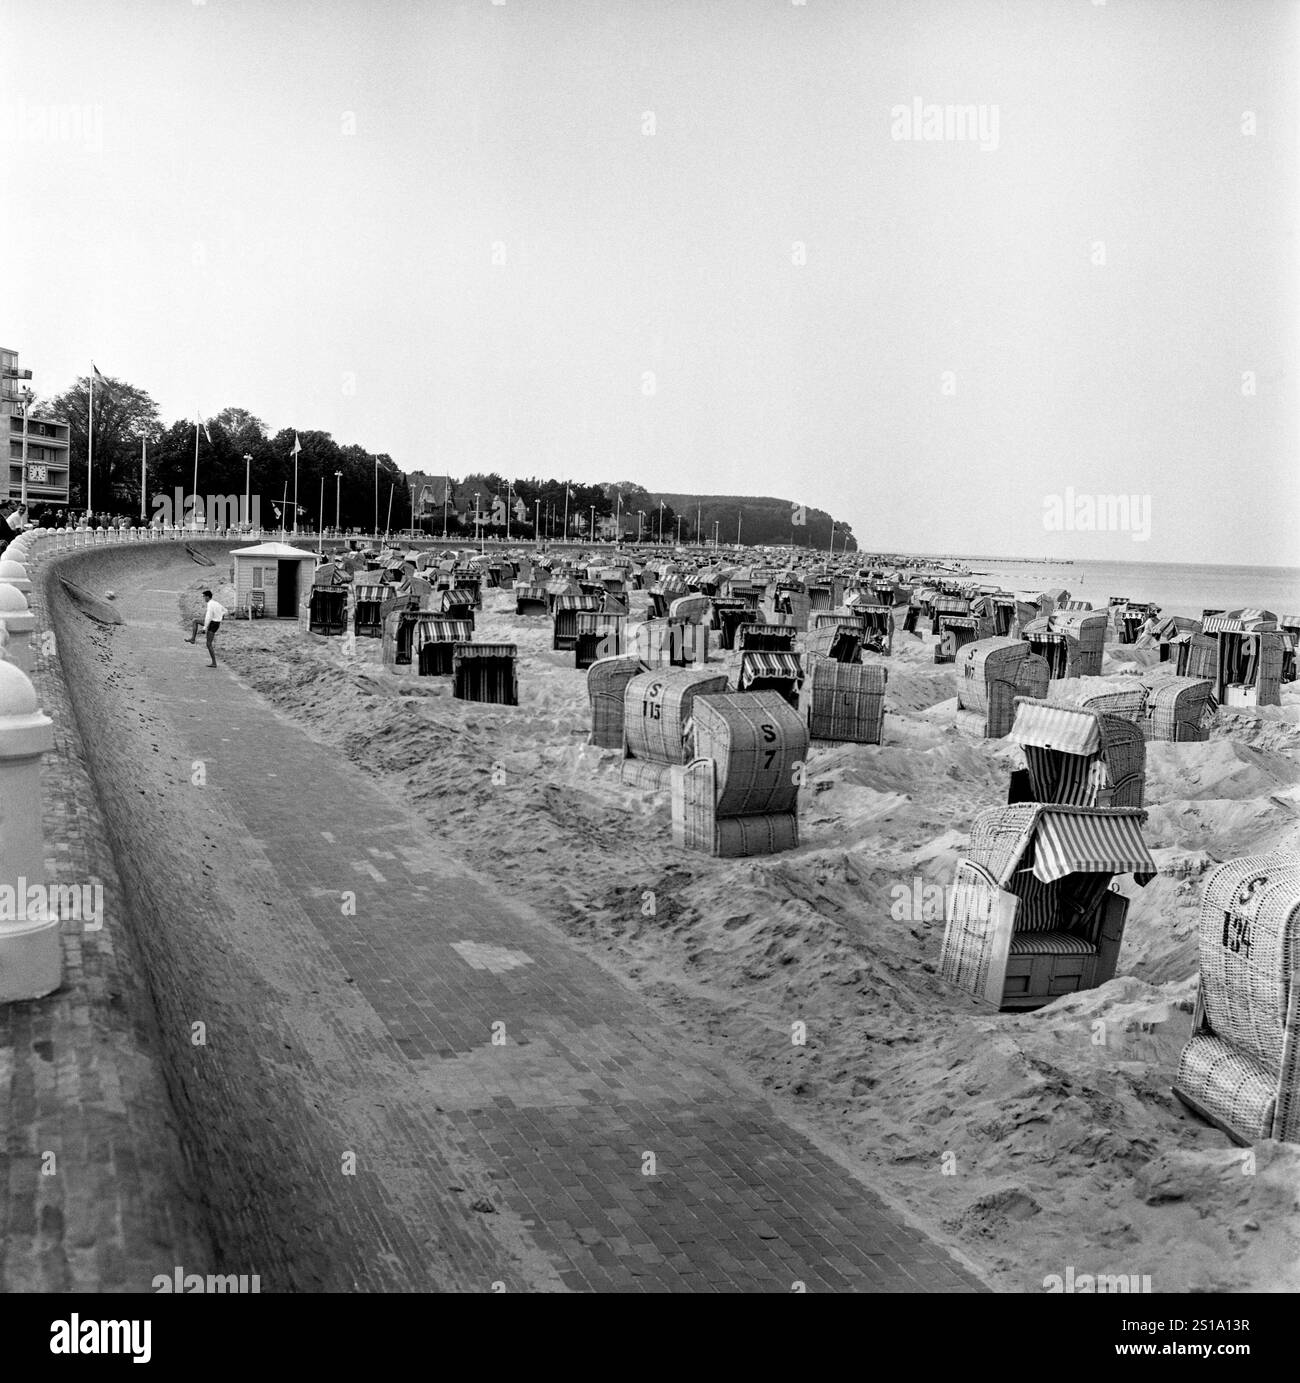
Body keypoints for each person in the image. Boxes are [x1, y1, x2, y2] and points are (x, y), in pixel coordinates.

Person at [187, 588, 226, 667]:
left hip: (213, 624)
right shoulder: (216, 603)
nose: (203, 598)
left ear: (208, 597)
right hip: (215, 622)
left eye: (204, 597)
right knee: (195, 620)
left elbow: (208, 617)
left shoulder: (210, 604)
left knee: (209, 644)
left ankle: (214, 663)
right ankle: (193, 639)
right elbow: (225, 610)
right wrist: (220, 616)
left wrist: (204, 628)